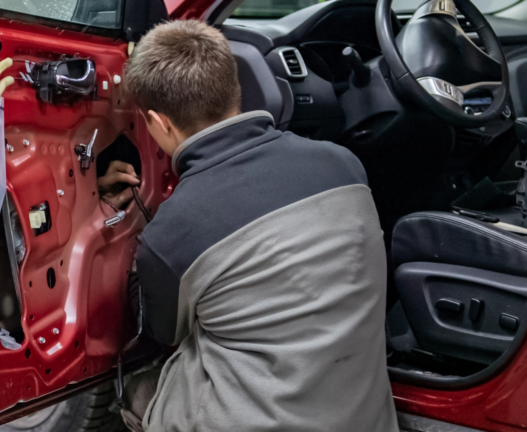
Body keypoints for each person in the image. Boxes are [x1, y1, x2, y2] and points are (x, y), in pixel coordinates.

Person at [99, 19, 399, 432]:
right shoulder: (344, 163)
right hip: (367, 418)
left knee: (137, 390)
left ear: (158, 123)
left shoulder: (173, 231)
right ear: (234, 88)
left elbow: (161, 332)